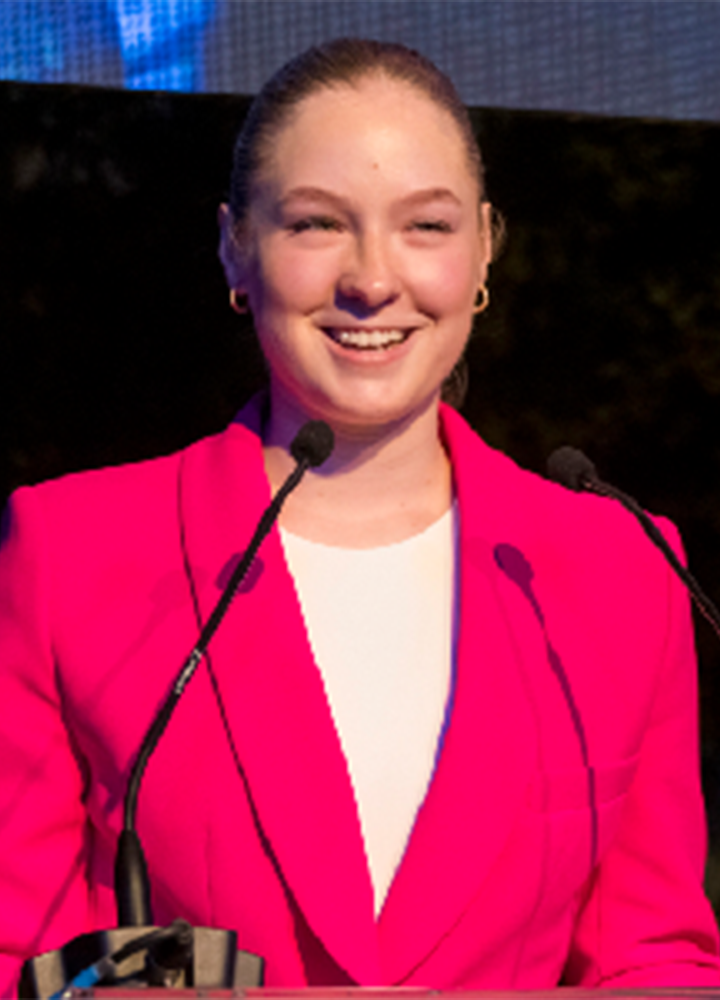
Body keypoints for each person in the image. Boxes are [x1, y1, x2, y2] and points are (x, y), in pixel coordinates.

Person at [0, 37, 718, 997]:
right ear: (234, 247)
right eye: (315, 224)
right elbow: (23, 959)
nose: (372, 279)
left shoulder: (620, 568)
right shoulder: (71, 552)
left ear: (484, 251)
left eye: (425, 225)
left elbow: (654, 958)